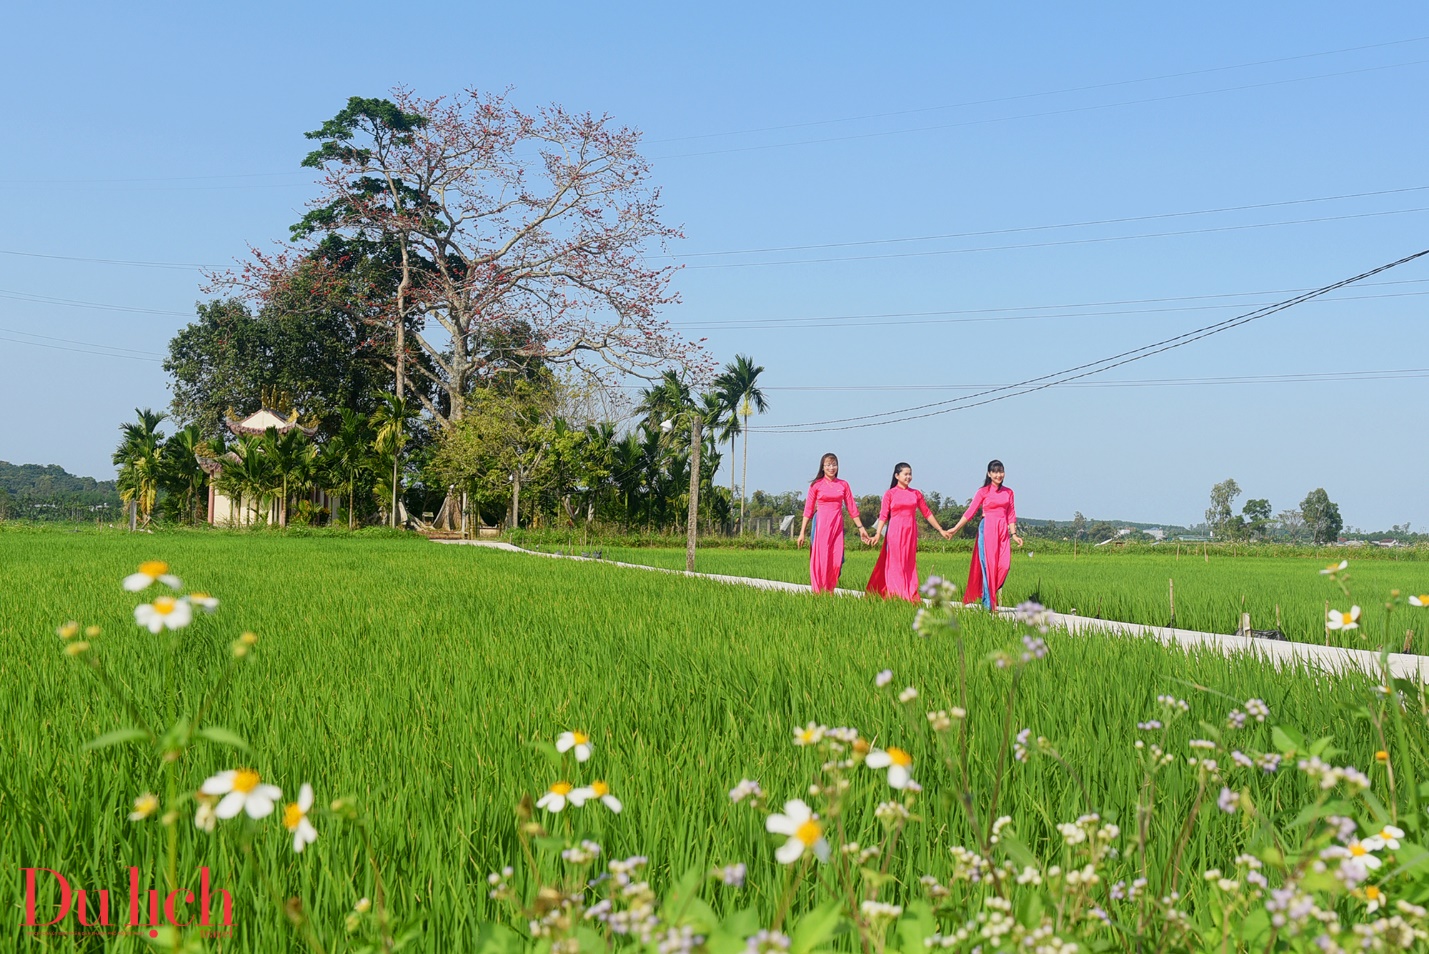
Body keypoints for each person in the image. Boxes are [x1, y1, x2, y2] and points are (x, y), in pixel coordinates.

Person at [944, 459, 1023, 610]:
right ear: (989, 474)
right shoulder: (983, 492)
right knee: (989, 567)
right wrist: (955, 528)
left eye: (1001, 471)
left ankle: (988, 594)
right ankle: (989, 606)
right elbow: (970, 511)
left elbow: (1011, 514)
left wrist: (1014, 534)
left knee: (1004, 566)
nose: (999, 475)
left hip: (1002, 530)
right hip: (987, 528)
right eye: (995, 472)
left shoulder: (1009, 492)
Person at [867, 462, 951, 601]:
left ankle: (909, 593)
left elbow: (927, 513)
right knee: (895, 563)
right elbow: (883, 515)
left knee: (908, 563)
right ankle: (896, 594)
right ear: (897, 476)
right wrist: (877, 534)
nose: (908, 477)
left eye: (910, 474)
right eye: (905, 474)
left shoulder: (916, 493)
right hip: (895, 532)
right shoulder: (890, 494)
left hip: (910, 533)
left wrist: (940, 529)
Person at [797, 453, 871, 593]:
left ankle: (829, 589)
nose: (831, 468)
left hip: (837, 524)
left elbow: (852, 508)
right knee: (821, 559)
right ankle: (819, 592)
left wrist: (861, 528)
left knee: (837, 560)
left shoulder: (843, 485)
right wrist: (802, 533)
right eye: (828, 465)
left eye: (834, 464)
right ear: (823, 467)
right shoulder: (816, 485)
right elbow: (808, 510)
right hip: (820, 525)